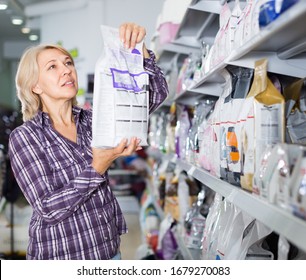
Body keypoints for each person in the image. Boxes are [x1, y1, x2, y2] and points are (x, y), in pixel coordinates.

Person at [8, 22, 168, 260]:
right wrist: (98, 166)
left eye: (68, 63)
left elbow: (152, 98)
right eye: (52, 66)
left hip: (108, 252)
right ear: (35, 85)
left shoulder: (92, 120)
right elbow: (47, 208)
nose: (66, 70)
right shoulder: (25, 137)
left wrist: (139, 52)